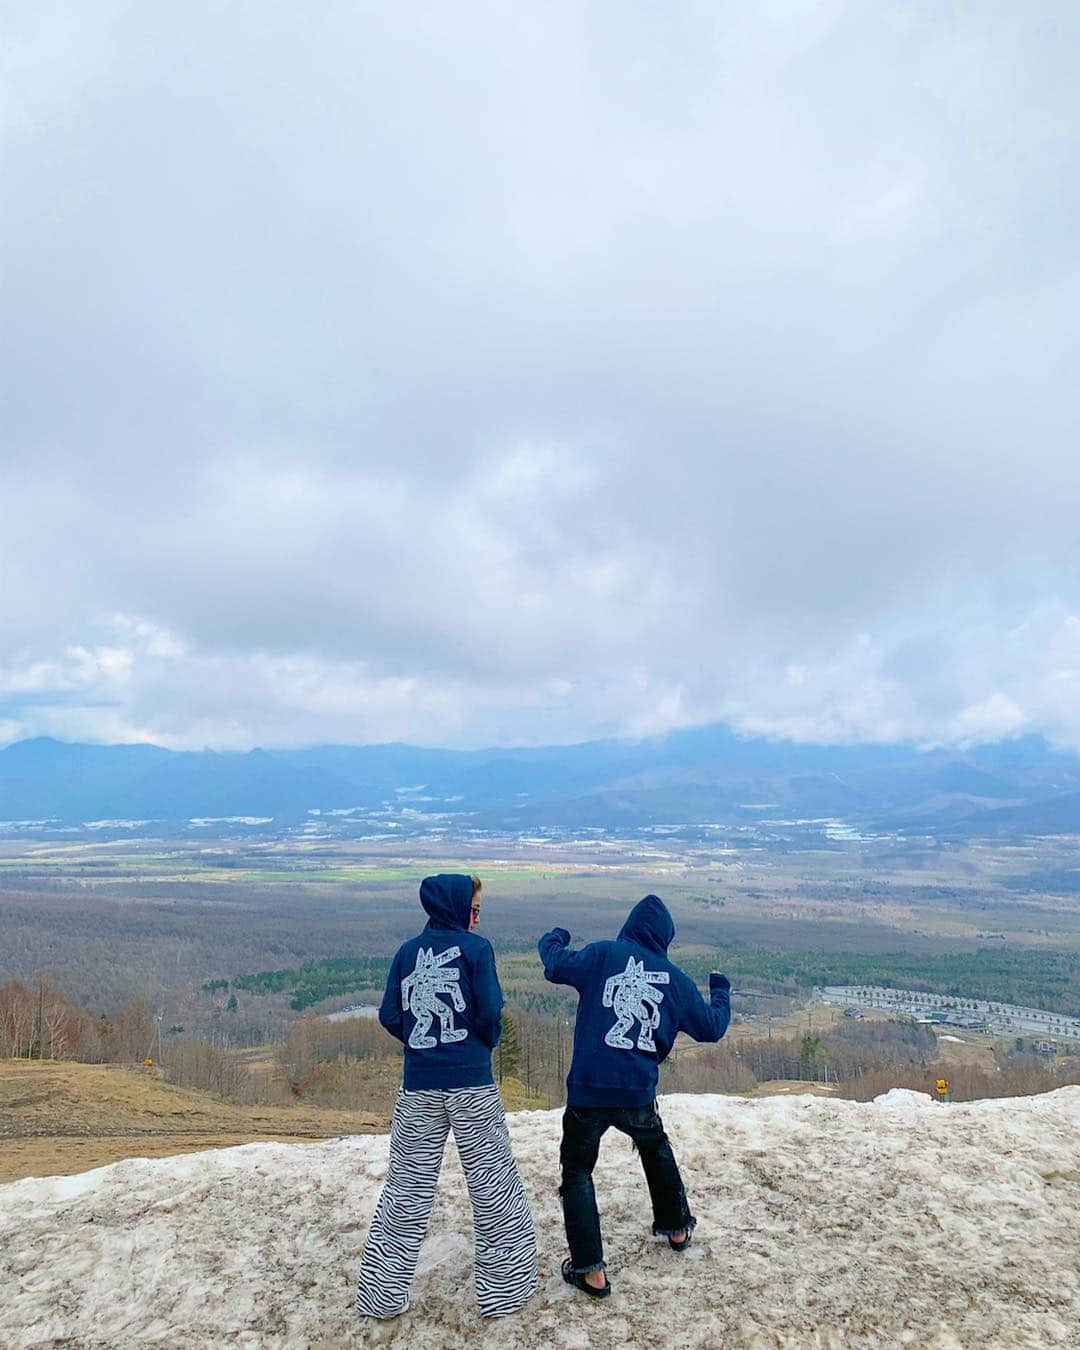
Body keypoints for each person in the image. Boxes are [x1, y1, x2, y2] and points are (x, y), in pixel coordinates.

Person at [357, 873, 537, 1320]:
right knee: (492, 1186)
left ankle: (381, 1296)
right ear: (458, 908)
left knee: (406, 1191)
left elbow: (388, 1014)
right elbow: (492, 1010)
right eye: (474, 910)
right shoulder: (476, 950)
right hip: (471, 1083)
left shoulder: (406, 953)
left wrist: (422, 1043)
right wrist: (479, 1045)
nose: (476, 918)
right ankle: (504, 1295)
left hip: (418, 1085)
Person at [538, 893, 730, 1298]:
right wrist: (720, 989)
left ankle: (591, 1271)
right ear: (665, 937)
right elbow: (712, 1027)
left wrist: (554, 937)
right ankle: (677, 1228)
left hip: (589, 1089)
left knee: (577, 1170)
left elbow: (554, 964)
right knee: (655, 1147)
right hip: (636, 1090)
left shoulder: (604, 955)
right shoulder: (674, 980)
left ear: (630, 924)